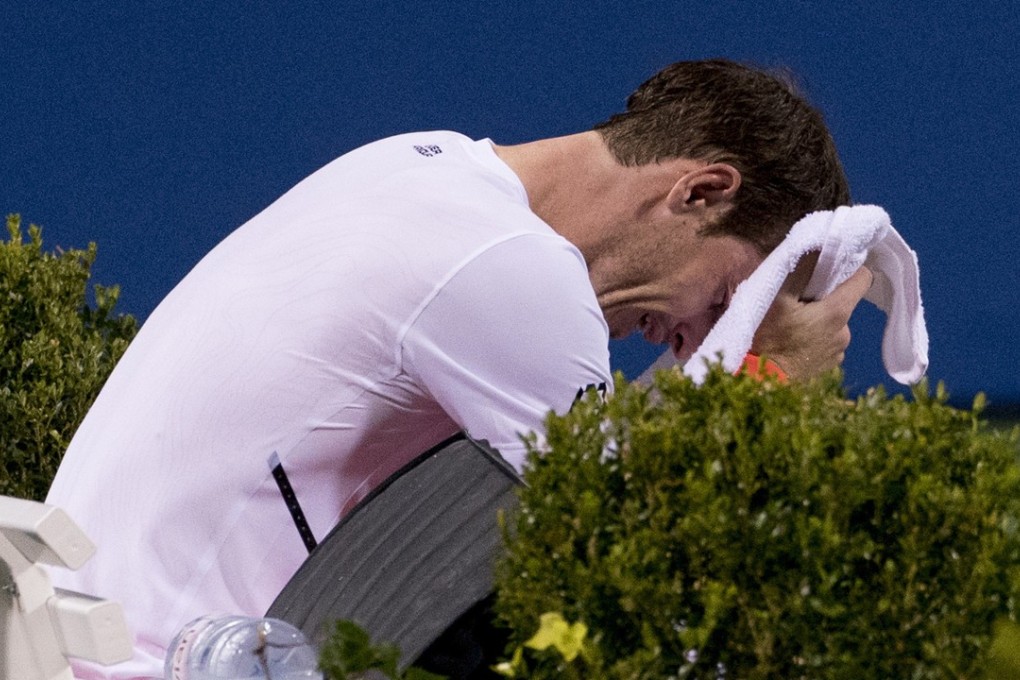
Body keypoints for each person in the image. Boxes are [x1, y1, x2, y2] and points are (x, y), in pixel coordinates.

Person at [46, 59, 871, 678]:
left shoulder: (414, 164)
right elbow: (649, 575)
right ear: (701, 192)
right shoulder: (515, 274)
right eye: (726, 299)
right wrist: (780, 381)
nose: (690, 343)